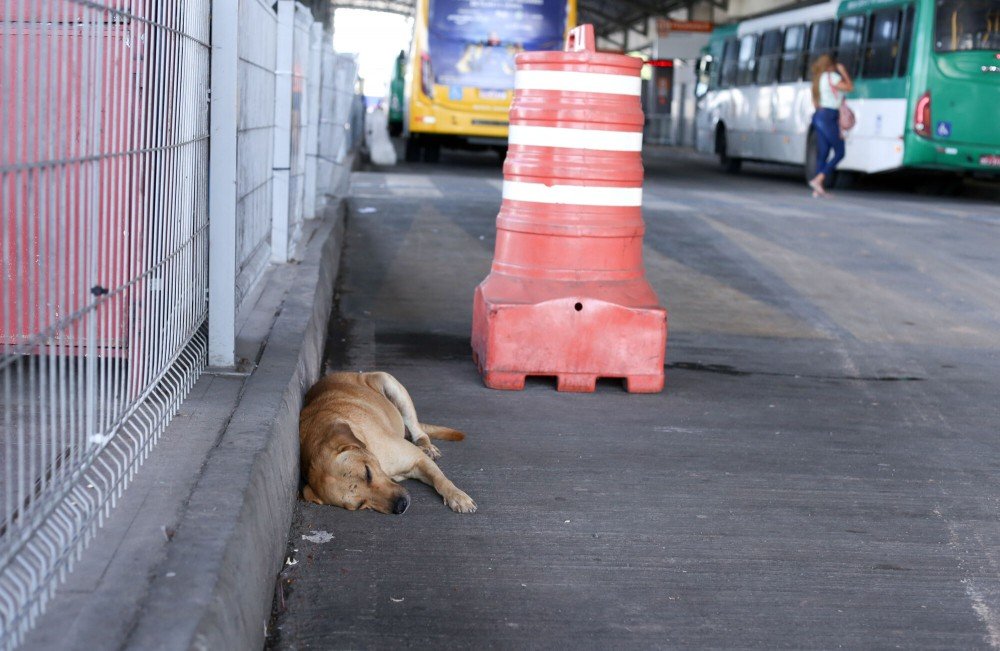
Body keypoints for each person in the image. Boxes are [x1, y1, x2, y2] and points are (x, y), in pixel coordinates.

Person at [808, 53, 854, 197]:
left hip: (818, 116)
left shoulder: (818, 79)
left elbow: (815, 102)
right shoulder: (832, 77)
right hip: (829, 116)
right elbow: (849, 87)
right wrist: (843, 71)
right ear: (830, 65)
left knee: (824, 152)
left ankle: (817, 190)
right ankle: (819, 179)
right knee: (840, 151)